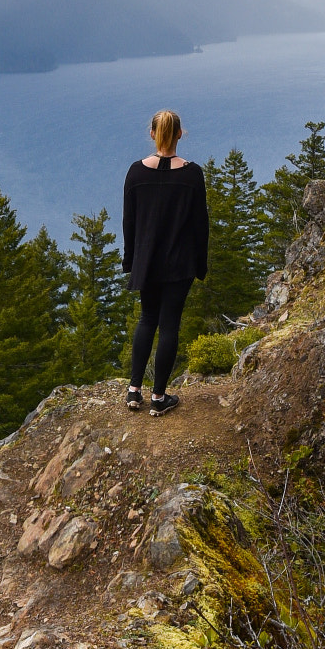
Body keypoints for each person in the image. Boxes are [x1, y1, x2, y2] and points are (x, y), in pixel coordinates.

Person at [122, 108, 209, 417]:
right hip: (179, 262)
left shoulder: (136, 172)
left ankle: (134, 391)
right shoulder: (191, 174)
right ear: (180, 134)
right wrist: (201, 264)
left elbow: (129, 223)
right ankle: (158, 397)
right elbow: (201, 224)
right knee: (169, 324)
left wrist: (131, 260)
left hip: (148, 262)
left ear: (152, 134)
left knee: (147, 318)